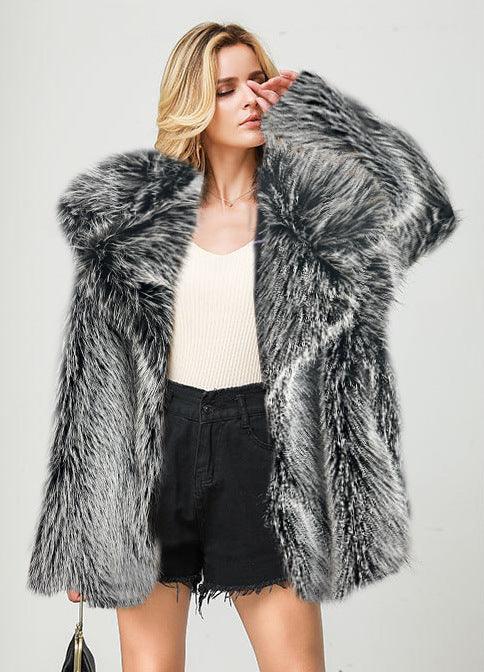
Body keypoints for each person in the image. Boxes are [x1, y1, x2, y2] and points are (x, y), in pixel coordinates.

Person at [26, 20, 459, 672]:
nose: (249, 99)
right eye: (225, 88)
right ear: (194, 105)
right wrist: (82, 528)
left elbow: (426, 208)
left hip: (264, 447)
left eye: (258, 80)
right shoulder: (132, 221)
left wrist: (326, 114)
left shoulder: (314, 214)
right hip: (154, 450)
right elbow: (94, 383)